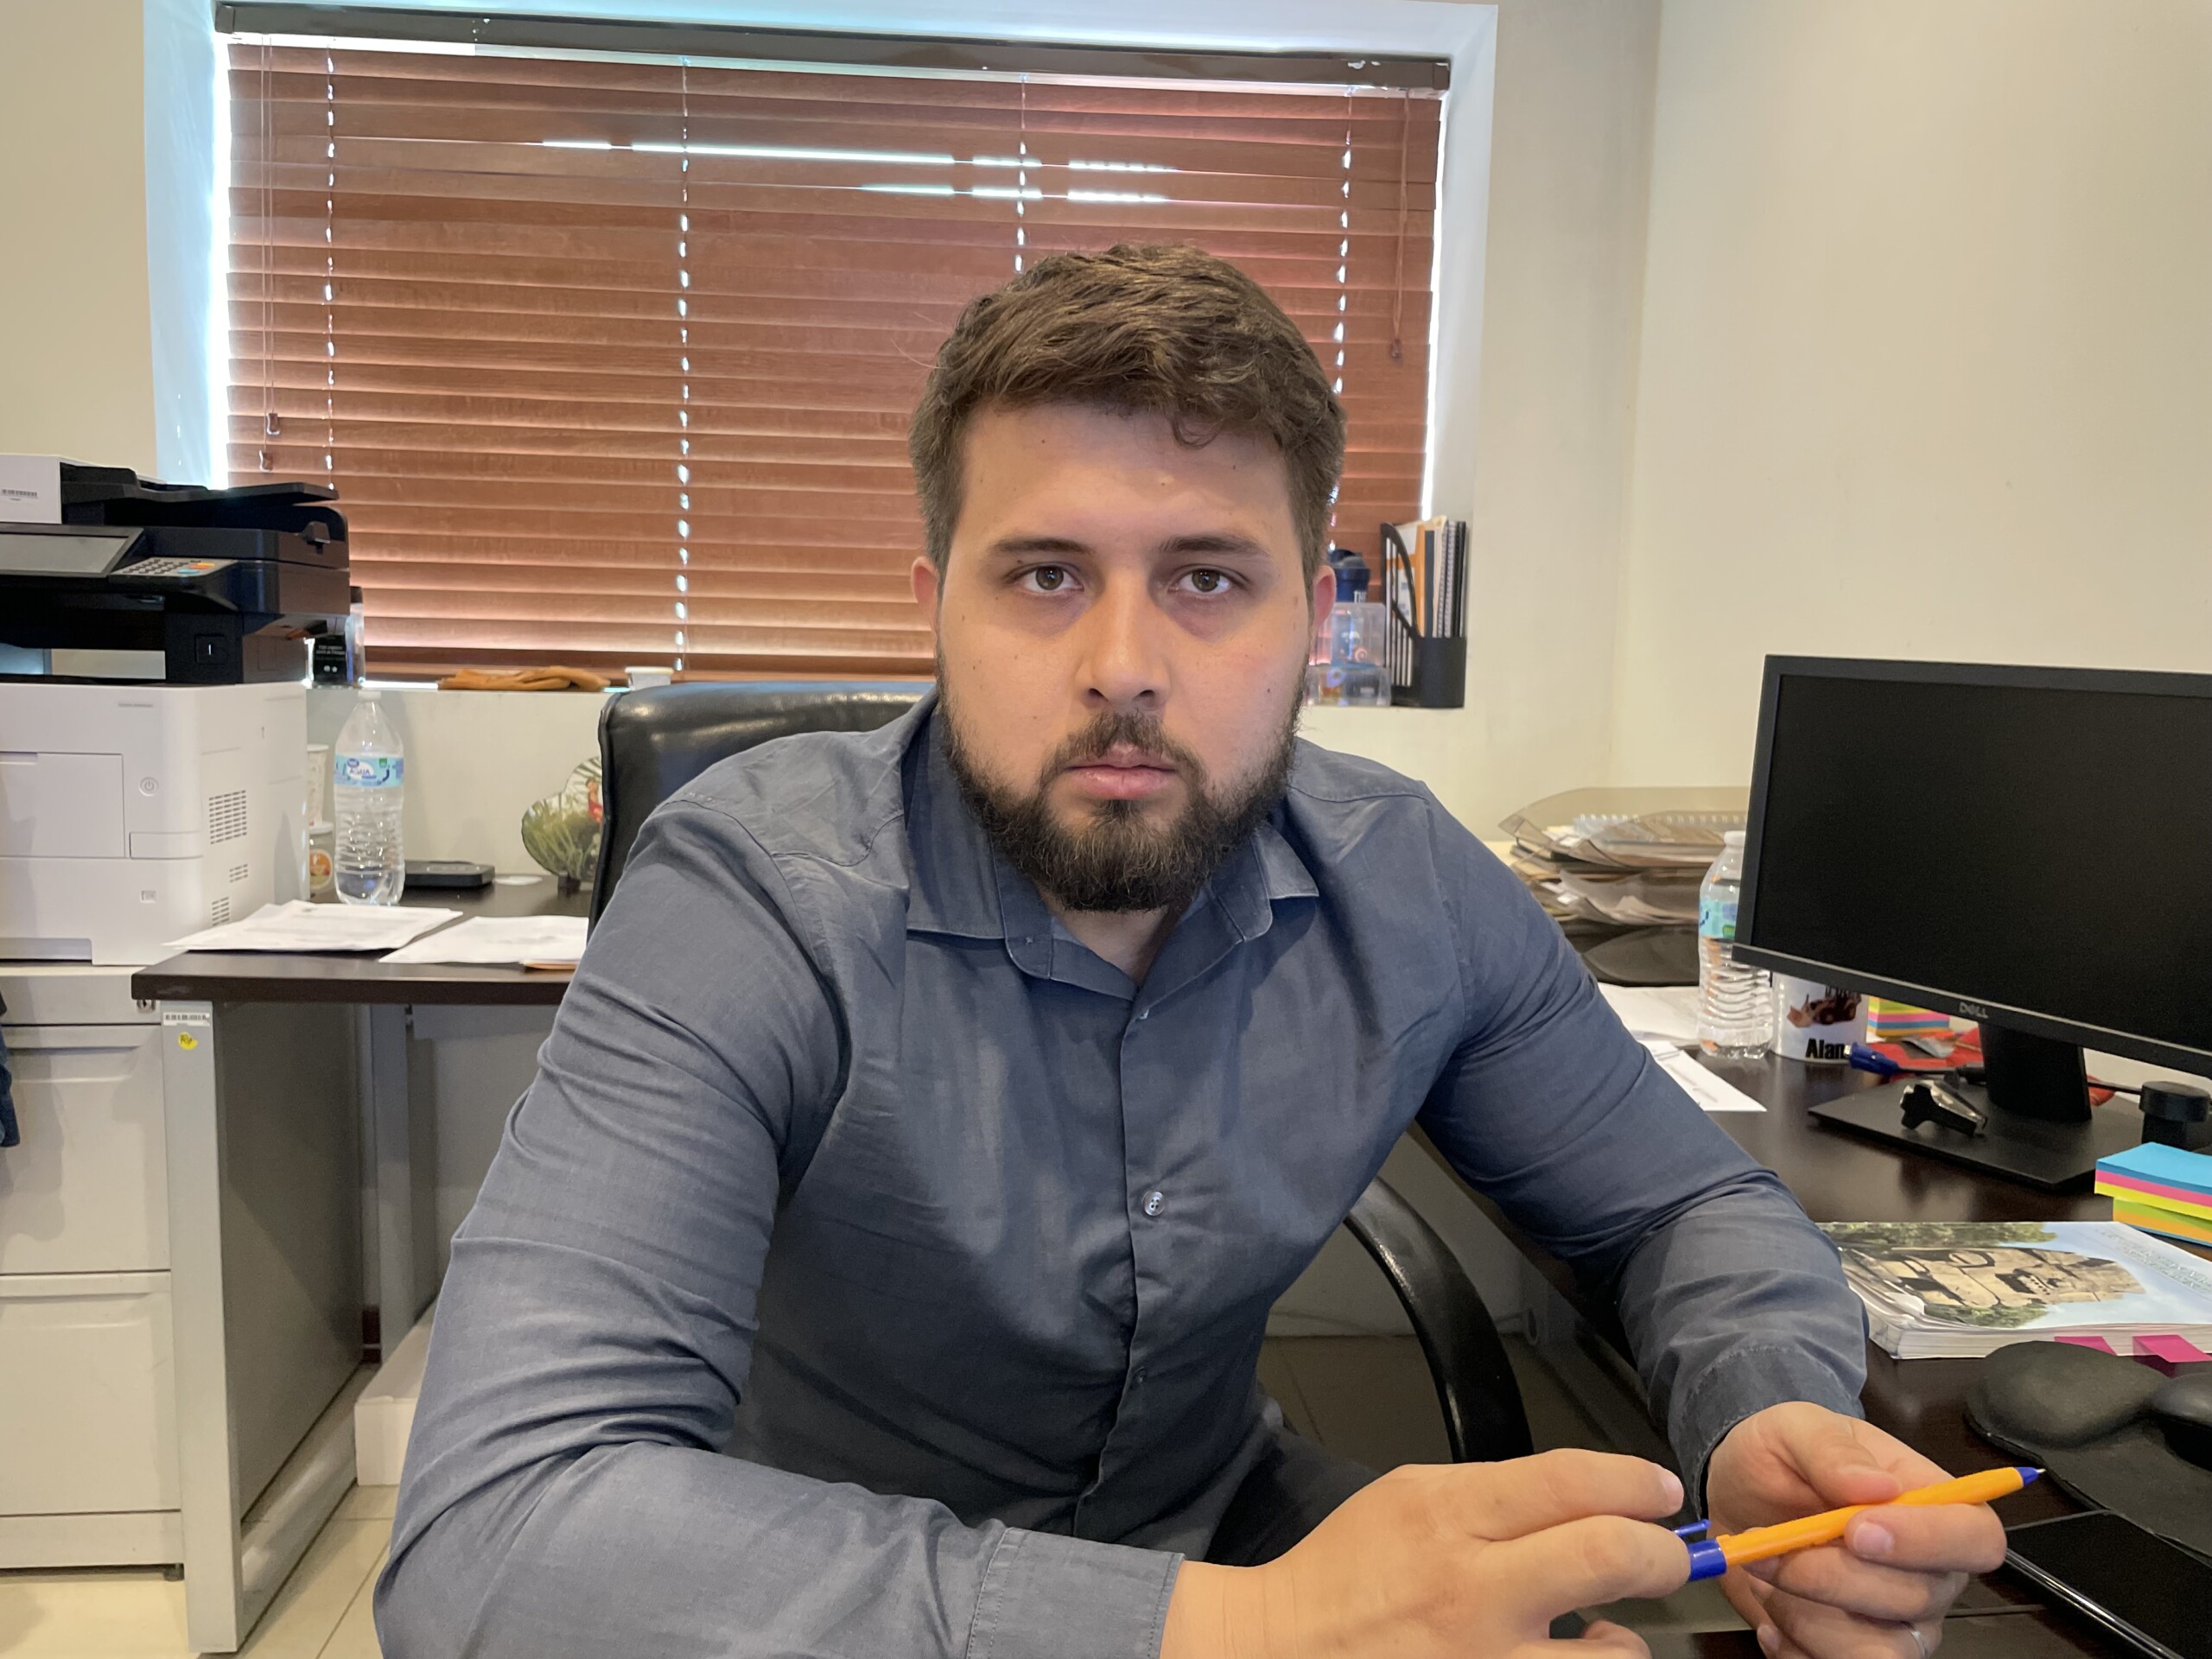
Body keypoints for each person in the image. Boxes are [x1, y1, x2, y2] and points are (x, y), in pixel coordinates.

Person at [378, 245, 2003, 1659]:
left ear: (1316, 626)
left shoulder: (1406, 883)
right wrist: (1247, 1633)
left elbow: (1684, 1204)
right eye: (1045, 575)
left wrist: (1764, 1416)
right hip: (803, 1591)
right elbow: (493, 1542)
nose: (1123, 665)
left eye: (1209, 578)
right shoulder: (753, 897)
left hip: (1223, 1528)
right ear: (935, 607)